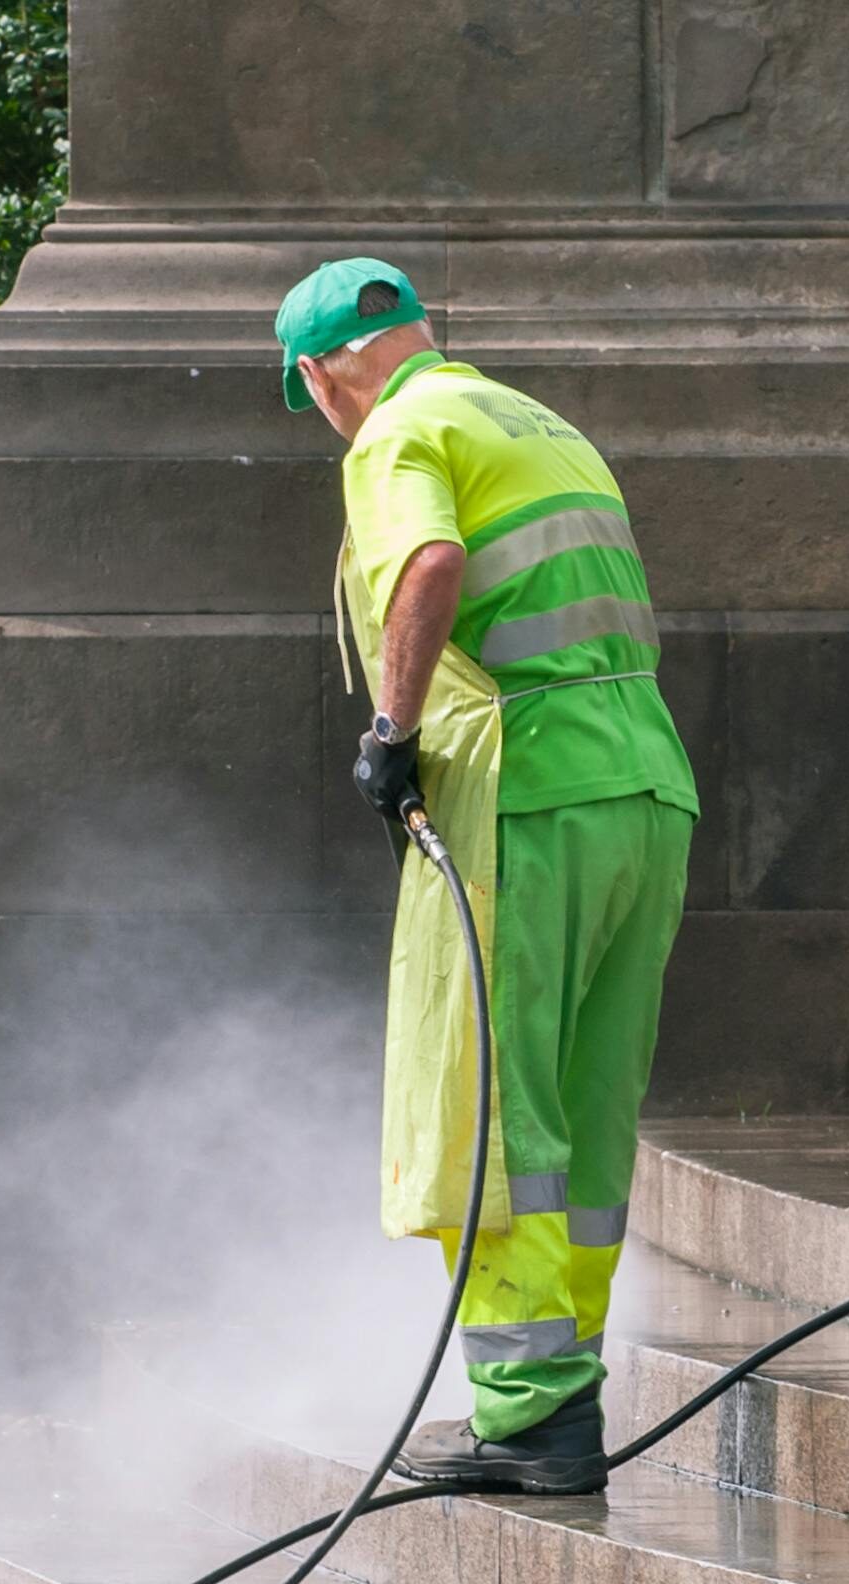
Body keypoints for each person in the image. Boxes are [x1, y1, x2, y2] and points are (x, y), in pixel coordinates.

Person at [274, 256, 697, 1495]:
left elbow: (425, 566)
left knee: (495, 1111)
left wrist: (389, 734)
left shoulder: (397, 431)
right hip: (643, 783)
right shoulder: (533, 419)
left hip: (527, 792)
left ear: (322, 376)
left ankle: (528, 1414)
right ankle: (559, 1397)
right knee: (583, 1111)